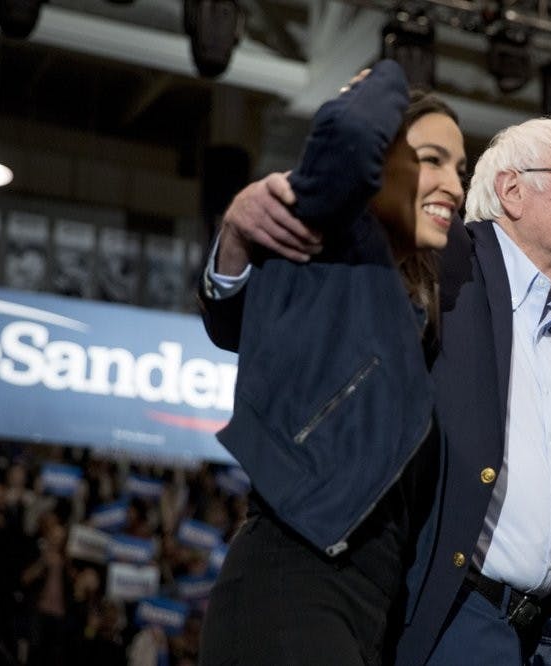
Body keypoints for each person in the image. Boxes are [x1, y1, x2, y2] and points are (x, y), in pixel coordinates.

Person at [202, 116, 551, 663]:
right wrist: (239, 241)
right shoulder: (443, 260)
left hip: (530, 641)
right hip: (443, 620)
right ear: (512, 190)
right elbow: (284, 299)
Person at [197, 59, 467, 666]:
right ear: (386, 163)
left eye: (460, 169)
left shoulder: (415, 313)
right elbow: (348, 136)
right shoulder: (336, 238)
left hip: (370, 607)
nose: (453, 184)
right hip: (294, 581)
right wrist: (394, 71)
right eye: (431, 159)